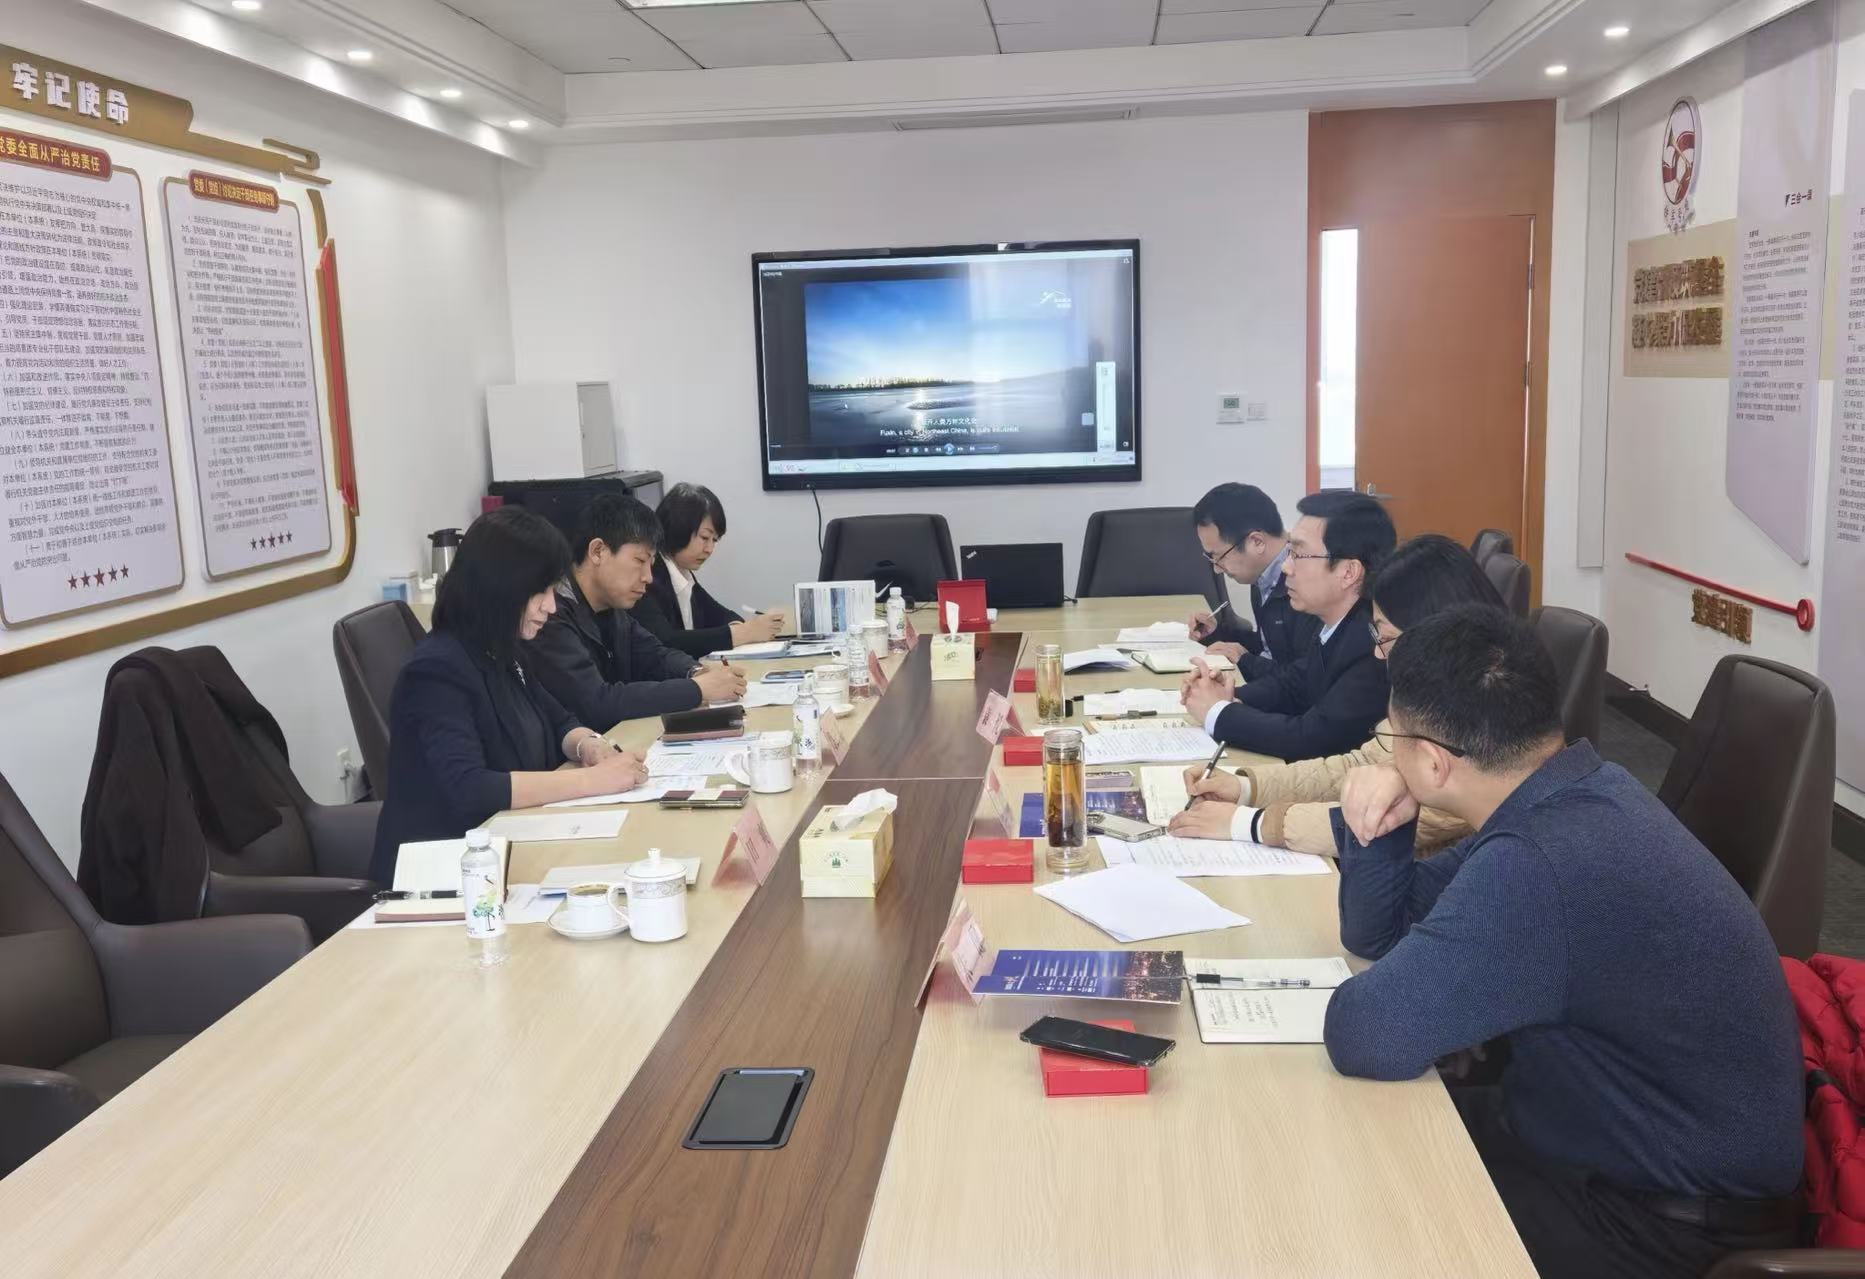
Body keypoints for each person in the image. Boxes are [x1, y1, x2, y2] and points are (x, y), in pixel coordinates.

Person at [1324, 606, 1803, 1279]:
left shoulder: (1542, 860)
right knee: (1362, 1145)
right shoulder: (1573, 792)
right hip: (1600, 1138)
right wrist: (1382, 825)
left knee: (1354, 1207)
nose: (1387, 755)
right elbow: (1381, 930)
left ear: (1431, 762)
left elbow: (1366, 1033)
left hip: (1653, 1222)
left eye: (1390, 738)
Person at [369, 507, 648, 884]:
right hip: (441, 876)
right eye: (541, 592)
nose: (551, 606)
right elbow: (470, 788)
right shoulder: (435, 672)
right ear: (501, 588)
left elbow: (559, 720)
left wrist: (590, 746)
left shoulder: (501, 649)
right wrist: (595, 781)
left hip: (509, 848)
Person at [1170, 534, 1503, 849]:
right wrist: (1245, 787)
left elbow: (1394, 819)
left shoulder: (1485, 718)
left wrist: (1249, 823)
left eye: (1386, 637)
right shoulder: (1437, 690)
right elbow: (1359, 765)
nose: (1379, 654)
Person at [1180, 491, 1395, 761]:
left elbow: (1312, 738)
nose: (1285, 567)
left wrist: (1219, 713)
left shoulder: (1374, 643)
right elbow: (1295, 684)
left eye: (1298, 555)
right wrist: (1228, 693)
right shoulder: (1336, 623)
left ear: (1348, 572)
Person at [527, 494, 746, 730]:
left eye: (651, 565)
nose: (648, 578)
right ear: (598, 551)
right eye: (640, 561)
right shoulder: (549, 615)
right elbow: (597, 703)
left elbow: (655, 655)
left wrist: (697, 672)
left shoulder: (611, 607)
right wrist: (697, 689)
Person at [632, 483, 784, 659]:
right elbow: (666, 641)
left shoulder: (682, 573)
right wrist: (745, 633)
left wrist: (745, 628)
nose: (709, 549)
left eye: (714, 540)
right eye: (705, 538)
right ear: (678, 528)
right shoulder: (648, 576)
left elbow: (719, 614)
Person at [1186, 482, 1318, 679]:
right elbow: (1270, 647)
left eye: (1219, 556)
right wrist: (1215, 634)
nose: (1217, 568)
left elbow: (1303, 679)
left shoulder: (1305, 584)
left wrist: (1246, 661)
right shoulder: (1263, 575)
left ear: (1257, 542)